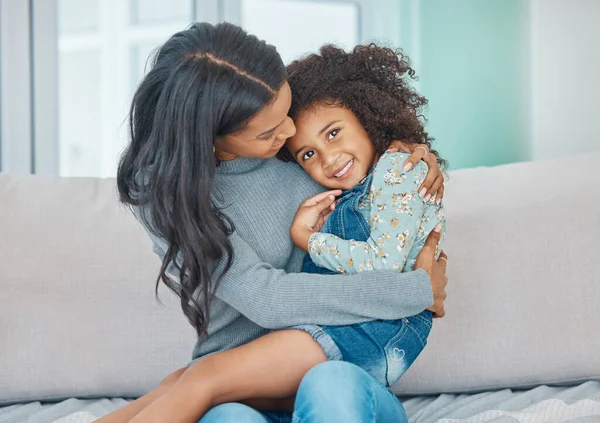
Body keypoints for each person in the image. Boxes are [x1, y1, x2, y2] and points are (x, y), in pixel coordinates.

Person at [98, 22, 448, 423]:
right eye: (269, 130)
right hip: (240, 382)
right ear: (210, 138)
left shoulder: (297, 145)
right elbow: (266, 298)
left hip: (337, 366)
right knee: (223, 410)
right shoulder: (165, 193)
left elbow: (367, 156)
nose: (291, 130)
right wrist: (413, 290)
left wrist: (408, 154)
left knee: (329, 386)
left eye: (287, 107)